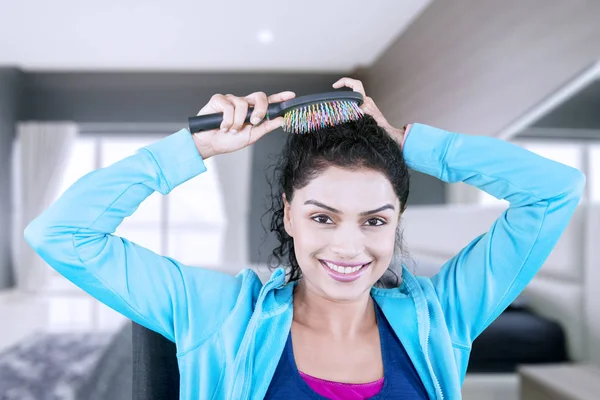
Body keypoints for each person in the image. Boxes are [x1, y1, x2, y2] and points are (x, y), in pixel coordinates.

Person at [25, 77, 585, 399]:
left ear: (397, 220)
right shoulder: (217, 312)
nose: (349, 247)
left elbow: (556, 190)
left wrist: (402, 141)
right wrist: (193, 148)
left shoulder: (443, 315)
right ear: (289, 215)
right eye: (323, 218)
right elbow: (60, 232)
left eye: (374, 220)